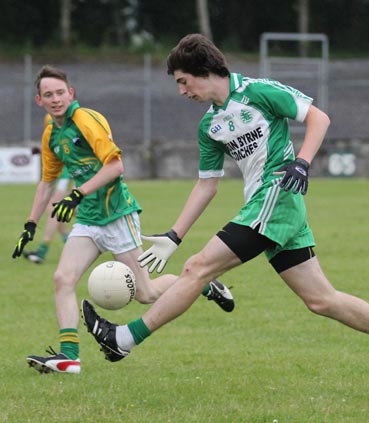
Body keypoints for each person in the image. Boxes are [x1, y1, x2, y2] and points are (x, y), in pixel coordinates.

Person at [81, 34, 369, 395]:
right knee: (321, 300)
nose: (181, 92)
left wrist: (301, 162)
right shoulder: (209, 126)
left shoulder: (259, 92)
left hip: (278, 195)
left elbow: (319, 119)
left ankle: (123, 339)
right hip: (266, 207)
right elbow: (207, 185)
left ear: (203, 70)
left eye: (182, 81)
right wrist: (174, 235)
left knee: (197, 269)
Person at [12, 64, 234, 375]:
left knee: (146, 294)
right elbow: (47, 182)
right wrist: (30, 225)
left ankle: (205, 284)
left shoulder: (85, 121)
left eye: (60, 92)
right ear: (40, 101)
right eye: (48, 95)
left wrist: (77, 194)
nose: (55, 99)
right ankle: (69, 356)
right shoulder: (52, 133)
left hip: (118, 216)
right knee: (62, 279)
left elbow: (116, 167)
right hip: (89, 220)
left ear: (70, 93)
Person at [24, 164, 74, 264]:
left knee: (54, 207)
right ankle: (70, 244)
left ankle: (43, 249)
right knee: (56, 209)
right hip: (64, 172)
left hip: (69, 173)